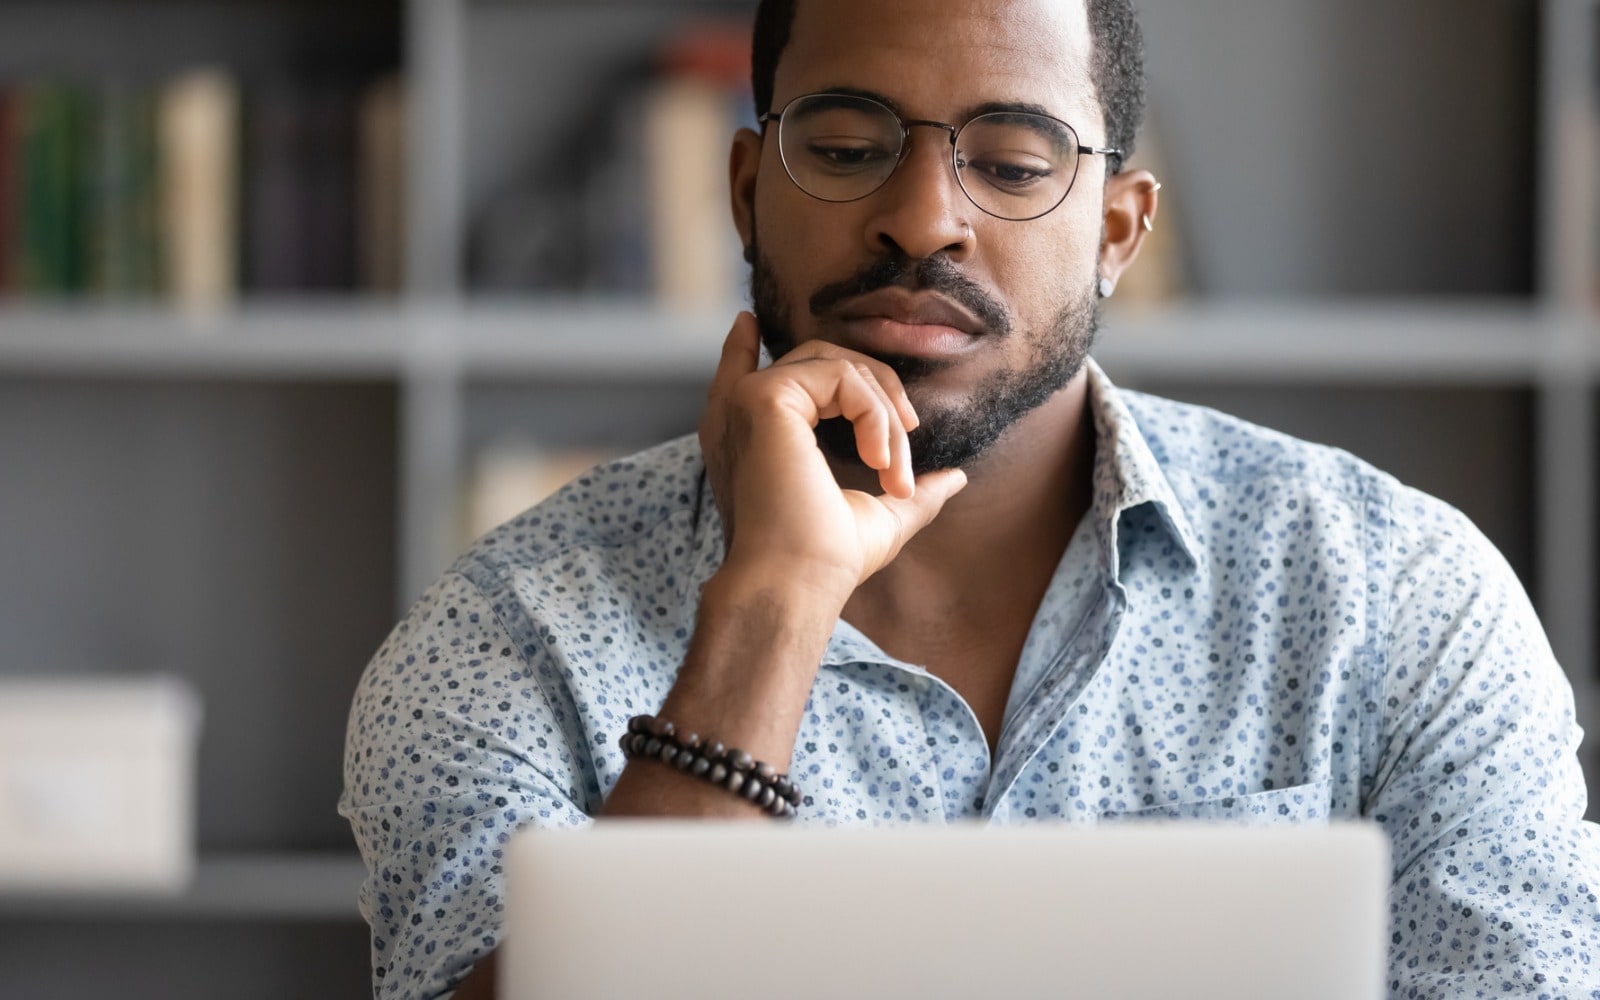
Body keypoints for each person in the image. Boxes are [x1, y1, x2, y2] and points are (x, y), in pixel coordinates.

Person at [340, 0, 1600, 996]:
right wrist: (769, 611)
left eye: (1009, 162)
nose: (923, 219)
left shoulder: (1402, 599)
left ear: (1118, 231)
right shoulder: (503, 637)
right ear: (744, 192)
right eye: (842, 148)